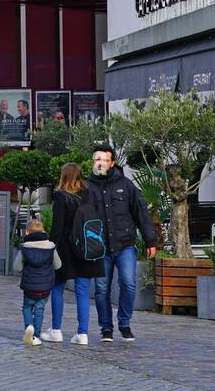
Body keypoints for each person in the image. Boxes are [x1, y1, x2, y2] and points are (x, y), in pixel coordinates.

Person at [87, 144, 156, 343]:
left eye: (104, 160)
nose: (100, 163)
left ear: (112, 163)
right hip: (100, 248)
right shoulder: (87, 186)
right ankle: (106, 328)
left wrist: (150, 240)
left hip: (125, 245)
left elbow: (141, 211)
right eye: (97, 159)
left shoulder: (126, 185)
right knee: (101, 289)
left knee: (128, 284)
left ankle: (124, 324)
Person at [47, 161, 103, 345]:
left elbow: (57, 228)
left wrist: (50, 247)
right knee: (83, 291)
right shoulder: (90, 194)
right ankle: (83, 333)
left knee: (57, 287)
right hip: (88, 247)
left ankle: (56, 330)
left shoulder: (61, 197)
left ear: (64, 176)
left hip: (65, 248)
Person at [13, 219, 61, 346]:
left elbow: (17, 267)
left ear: (27, 232)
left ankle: (29, 327)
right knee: (40, 309)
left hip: (29, 286)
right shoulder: (51, 247)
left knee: (27, 307)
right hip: (45, 287)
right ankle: (37, 335)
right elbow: (58, 265)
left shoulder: (24, 248)